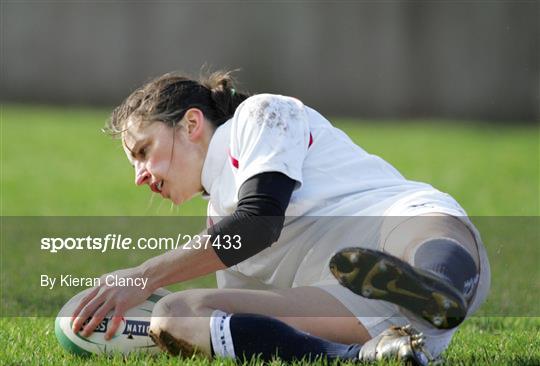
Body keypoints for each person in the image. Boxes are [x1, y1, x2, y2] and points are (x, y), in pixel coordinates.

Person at [71, 70, 490, 364]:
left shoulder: (261, 115)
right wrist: (155, 332)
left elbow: (259, 221)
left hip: (403, 226)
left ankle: (437, 287)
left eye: (143, 151)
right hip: (374, 323)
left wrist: (145, 275)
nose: (140, 176)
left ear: (192, 123)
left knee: (421, 227)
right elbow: (251, 326)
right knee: (178, 314)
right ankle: (366, 357)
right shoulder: (218, 222)